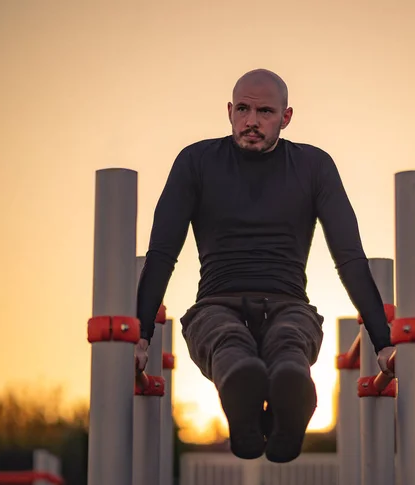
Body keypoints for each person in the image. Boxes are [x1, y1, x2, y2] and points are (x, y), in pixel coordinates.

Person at [134, 68, 395, 464]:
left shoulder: (313, 166)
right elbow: (162, 253)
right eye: (243, 109)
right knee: (224, 338)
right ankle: (244, 393)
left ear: (286, 117)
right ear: (229, 110)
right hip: (216, 302)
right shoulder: (197, 161)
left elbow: (350, 259)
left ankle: (289, 397)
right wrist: (139, 335)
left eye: (265, 112)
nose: (251, 121)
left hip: (288, 302)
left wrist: (384, 341)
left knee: (289, 340)